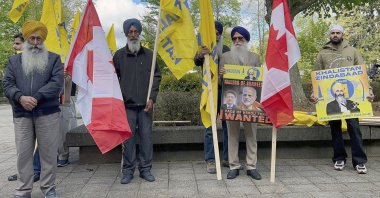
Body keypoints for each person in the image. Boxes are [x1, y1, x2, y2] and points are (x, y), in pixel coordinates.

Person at [3, 20, 63, 198]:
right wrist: (20, 97)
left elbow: (57, 83)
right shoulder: (14, 61)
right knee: (23, 154)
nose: (36, 43)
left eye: (39, 38)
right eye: (32, 38)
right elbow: (7, 84)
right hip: (22, 114)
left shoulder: (54, 59)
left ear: (43, 39)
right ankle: (23, 190)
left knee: (48, 154)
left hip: (48, 113)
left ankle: (49, 189)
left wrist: (36, 97)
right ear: (26, 38)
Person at [310, 24, 375, 174]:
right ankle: (339, 158)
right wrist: (314, 93)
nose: (335, 35)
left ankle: (359, 161)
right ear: (329, 35)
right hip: (329, 99)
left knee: (355, 129)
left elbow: (362, 73)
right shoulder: (322, 54)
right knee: (335, 130)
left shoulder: (353, 51)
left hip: (350, 98)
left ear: (342, 34)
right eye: (332, 33)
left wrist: (369, 90)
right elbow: (316, 74)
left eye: (338, 32)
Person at [113, 18, 161, 184]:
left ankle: (145, 169)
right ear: (126, 33)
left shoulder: (150, 55)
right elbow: (113, 79)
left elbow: (157, 77)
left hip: (146, 105)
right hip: (126, 106)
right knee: (128, 139)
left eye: (136, 31)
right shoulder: (118, 55)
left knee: (146, 138)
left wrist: (152, 98)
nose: (133, 35)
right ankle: (128, 171)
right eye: (130, 32)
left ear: (139, 33)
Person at [219, 26, 262, 180]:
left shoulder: (255, 57)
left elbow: (259, 81)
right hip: (231, 102)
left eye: (240, 38)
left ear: (246, 40)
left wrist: (258, 103)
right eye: (234, 38)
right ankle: (234, 166)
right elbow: (219, 83)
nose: (237, 41)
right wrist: (220, 75)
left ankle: (251, 166)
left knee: (251, 135)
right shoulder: (224, 57)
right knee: (232, 135)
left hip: (250, 103)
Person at [194, 21, 230, 173]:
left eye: (217, 33)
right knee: (210, 125)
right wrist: (200, 54)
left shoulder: (227, 49)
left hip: (226, 92)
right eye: (212, 33)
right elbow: (196, 61)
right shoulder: (203, 49)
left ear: (220, 35)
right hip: (210, 92)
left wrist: (226, 71)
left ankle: (228, 157)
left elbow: (235, 69)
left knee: (229, 126)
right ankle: (210, 160)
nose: (215, 36)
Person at [57, 73, 77, 167]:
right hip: (58, 98)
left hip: (65, 98)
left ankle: (62, 156)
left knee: (63, 128)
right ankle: (61, 156)